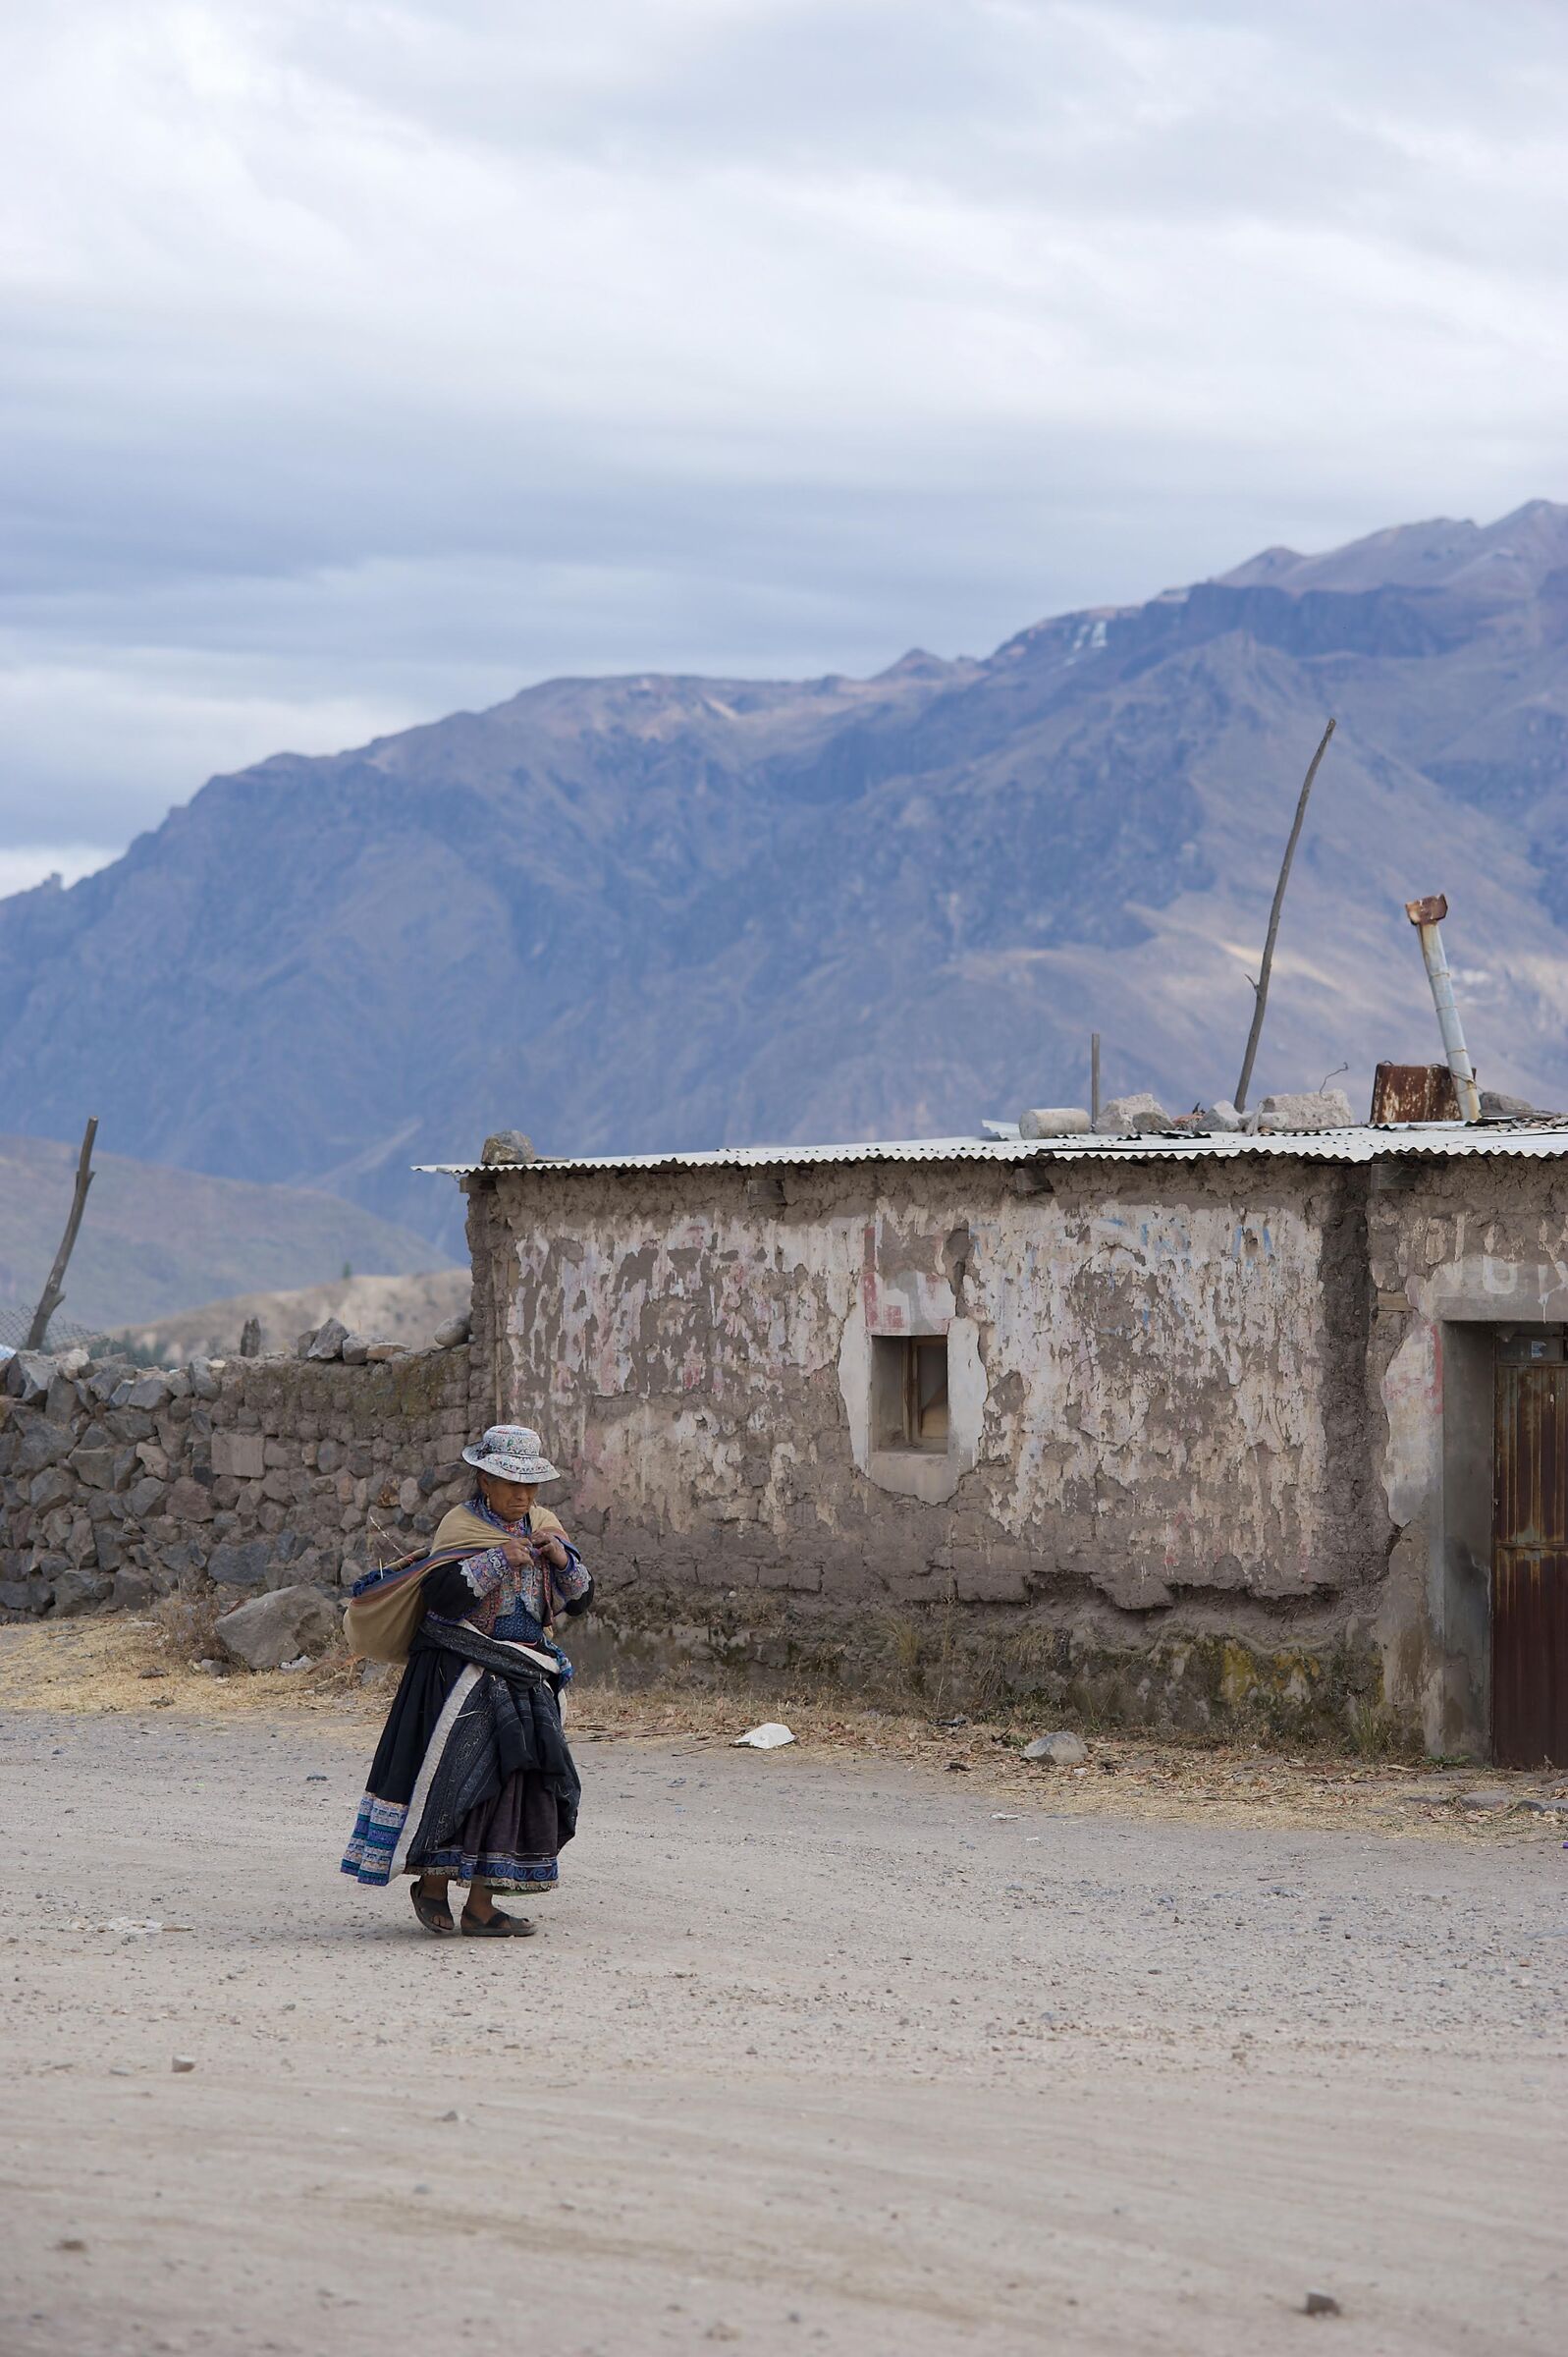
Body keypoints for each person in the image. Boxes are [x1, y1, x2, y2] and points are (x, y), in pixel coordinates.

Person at [340, 1424, 592, 1936]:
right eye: (509, 1483)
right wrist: (500, 1559)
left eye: (530, 1485)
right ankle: (431, 1887)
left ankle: (482, 1904)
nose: (522, 1495)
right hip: (456, 1674)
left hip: (525, 1672)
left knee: (515, 1786)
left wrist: (562, 1558)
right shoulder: (460, 1527)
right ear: (483, 1478)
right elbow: (442, 1596)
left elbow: (582, 1599)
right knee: (452, 1782)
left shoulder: (545, 1525)